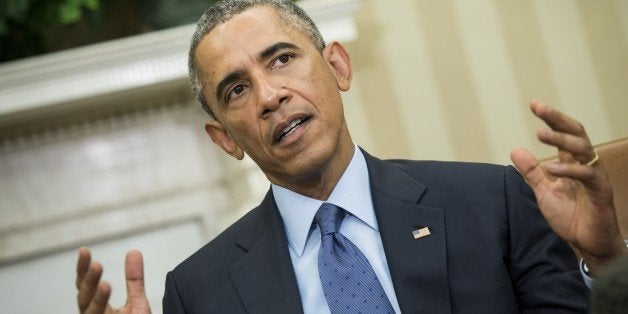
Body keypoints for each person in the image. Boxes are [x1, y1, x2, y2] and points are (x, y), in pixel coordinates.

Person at [75, 0, 627, 313]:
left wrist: (605, 262)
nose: (270, 96)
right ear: (225, 139)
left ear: (338, 67)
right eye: (236, 90)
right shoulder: (199, 293)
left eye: (283, 59)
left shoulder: (492, 203)